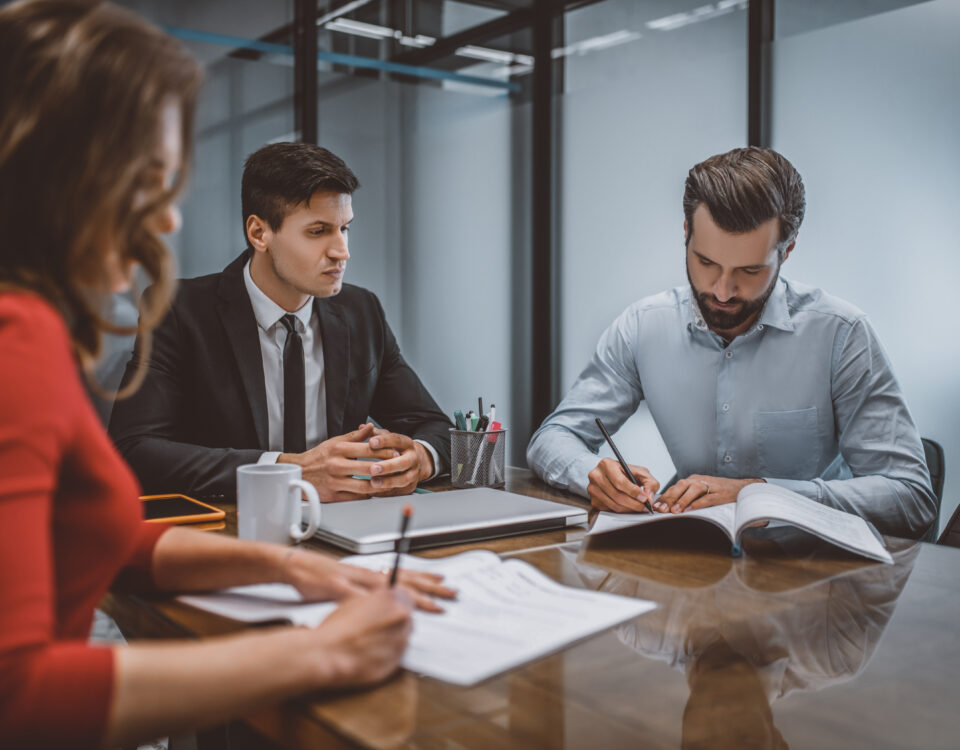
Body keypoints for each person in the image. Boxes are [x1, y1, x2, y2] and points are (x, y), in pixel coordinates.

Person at [0, 2, 452, 748]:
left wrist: (292, 569)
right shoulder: (21, 339)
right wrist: (321, 650)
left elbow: (103, 538)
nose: (169, 220)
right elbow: (16, 696)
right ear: (62, 175)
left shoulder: (37, 328)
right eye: (148, 179)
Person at [527, 147, 936, 539]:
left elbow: (912, 497)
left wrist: (760, 494)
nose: (722, 291)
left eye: (749, 269)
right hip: (690, 568)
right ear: (686, 233)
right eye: (706, 262)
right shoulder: (642, 327)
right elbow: (554, 437)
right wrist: (594, 474)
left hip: (814, 577)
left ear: (787, 250)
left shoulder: (841, 335)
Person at [109, 142, 452, 502]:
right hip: (234, 532)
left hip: (350, 527)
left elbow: (435, 427)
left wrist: (421, 459)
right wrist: (290, 472)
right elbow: (134, 450)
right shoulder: (179, 311)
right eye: (318, 231)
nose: (342, 251)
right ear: (260, 233)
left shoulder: (361, 312)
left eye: (344, 228)